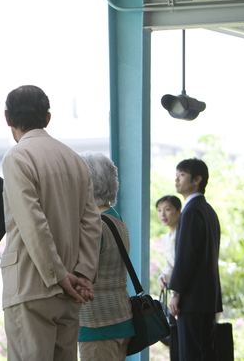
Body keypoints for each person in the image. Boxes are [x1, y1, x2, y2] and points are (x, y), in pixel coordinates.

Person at [0, 85, 101, 361]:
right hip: (70, 293)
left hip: (31, 286)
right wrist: (82, 275)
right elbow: (92, 223)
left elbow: (32, 223)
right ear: (47, 118)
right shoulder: (75, 160)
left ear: (7, 118)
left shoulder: (17, 157)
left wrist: (58, 275)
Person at [77, 152, 134, 361]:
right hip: (121, 317)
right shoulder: (116, 219)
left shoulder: (95, 226)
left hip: (98, 323)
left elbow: (80, 272)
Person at [169, 158, 222, 361]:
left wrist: (177, 292)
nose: (177, 179)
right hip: (208, 297)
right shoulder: (209, 211)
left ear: (197, 179)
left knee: (190, 354)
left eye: (182, 175)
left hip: (191, 299)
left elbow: (186, 256)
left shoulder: (190, 211)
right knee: (207, 353)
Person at [156, 195, 182, 290]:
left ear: (178, 211)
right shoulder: (165, 239)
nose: (162, 214)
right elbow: (170, 268)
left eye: (167, 209)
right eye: (159, 210)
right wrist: (163, 276)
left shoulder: (185, 236)